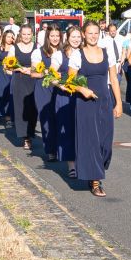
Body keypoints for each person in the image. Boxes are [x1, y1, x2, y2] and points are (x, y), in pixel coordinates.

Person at [71, 21, 122, 197]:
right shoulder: (77, 55)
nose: (93, 36)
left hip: (105, 100)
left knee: (106, 142)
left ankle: (96, 169)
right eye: (89, 33)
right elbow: (70, 81)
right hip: (85, 103)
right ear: (83, 34)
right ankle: (95, 180)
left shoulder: (107, 53)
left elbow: (114, 79)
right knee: (91, 141)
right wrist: (82, 89)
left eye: (96, 33)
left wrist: (119, 103)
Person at [55, 26, 84, 176]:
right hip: (65, 97)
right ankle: (71, 165)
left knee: (82, 130)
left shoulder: (85, 53)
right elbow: (51, 76)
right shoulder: (60, 55)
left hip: (82, 97)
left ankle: (83, 162)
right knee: (68, 131)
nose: (76, 39)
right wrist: (62, 86)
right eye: (73, 37)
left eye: (78, 37)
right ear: (67, 38)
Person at [32, 27, 62, 161]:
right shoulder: (39, 53)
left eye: (57, 36)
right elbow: (33, 73)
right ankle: (51, 150)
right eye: (52, 36)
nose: (55, 38)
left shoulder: (65, 51)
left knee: (60, 119)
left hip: (60, 88)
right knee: (47, 120)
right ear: (47, 37)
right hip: (44, 88)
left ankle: (60, 147)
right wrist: (47, 72)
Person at [10, 24, 39, 150]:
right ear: (20, 35)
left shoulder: (37, 47)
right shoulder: (14, 48)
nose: (26, 36)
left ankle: (31, 133)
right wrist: (22, 69)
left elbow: (41, 64)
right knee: (20, 108)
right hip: (19, 80)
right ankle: (25, 137)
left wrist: (31, 69)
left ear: (32, 35)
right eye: (24, 34)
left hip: (33, 81)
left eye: (28, 34)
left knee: (33, 108)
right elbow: (8, 65)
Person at [0, 29, 17, 125]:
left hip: (10, 73)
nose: (10, 39)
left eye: (12, 37)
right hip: (0, 72)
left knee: (9, 93)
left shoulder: (15, 48)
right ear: (4, 37)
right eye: (8, 36)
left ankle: (8, 116)